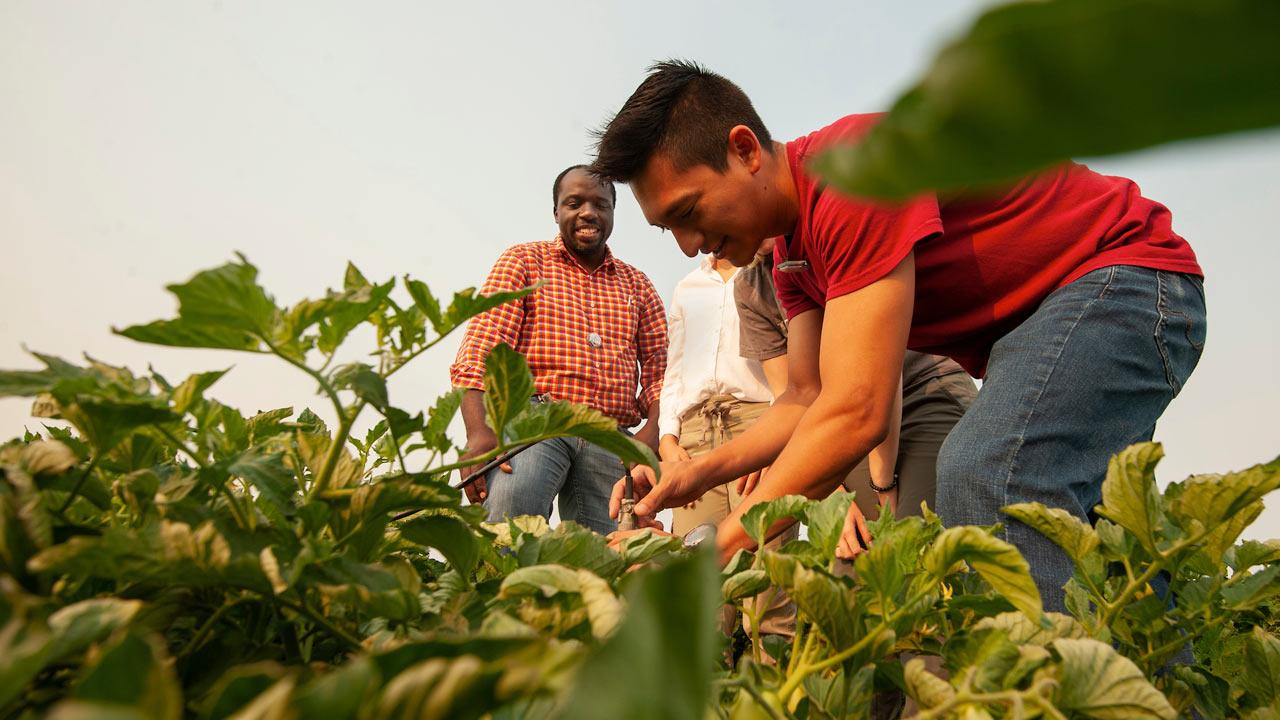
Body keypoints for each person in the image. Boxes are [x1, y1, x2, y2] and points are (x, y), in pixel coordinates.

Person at [594, 61, 1205, 610]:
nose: (689, 245)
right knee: (1105, 551)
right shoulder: (789, 257)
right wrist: (697, 475)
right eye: (666, 228)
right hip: (1064, 318)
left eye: (688, 212)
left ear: (745, 150)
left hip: (1127, 281)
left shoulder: (855, 175)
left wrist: (720, 545)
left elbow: (856, 411)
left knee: (990, 473)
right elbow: (806, 399)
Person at [449, 165, 667, 534]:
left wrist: (652, 434)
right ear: (556, 212)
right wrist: (479, 433)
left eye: (601, 204)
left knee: (614, 553)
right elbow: (481, 352)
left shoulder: (638, 284)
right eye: (574, 203)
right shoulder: (523, 261)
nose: (588, 212)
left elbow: (663, 371)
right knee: (510, 528)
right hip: (537, 420)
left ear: (613, 213)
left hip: (609, 434)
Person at [735, 237, 977, 559]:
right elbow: (794, 400)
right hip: (847, 420)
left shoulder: (830, 237)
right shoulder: (751, 288)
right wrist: (831, 494)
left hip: (923, 388)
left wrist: (884, 487)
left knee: (912, 542)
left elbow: (877, 376)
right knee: (857, 555)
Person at [660, 254, 794, 639]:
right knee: (698, 583)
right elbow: (675, 369)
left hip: (759, 420)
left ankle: (771, 691)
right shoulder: (688, 287)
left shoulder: (767, 275)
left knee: (767, 576)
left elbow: (789, 371)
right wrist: (668, 439)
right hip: (694, 435)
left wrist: (775, 436)